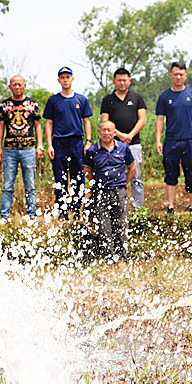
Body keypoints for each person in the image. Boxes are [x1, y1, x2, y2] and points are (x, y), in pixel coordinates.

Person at [43, 66, 93, 220]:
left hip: (77, 141)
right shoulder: (53, 100)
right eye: (62, 77)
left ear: (72, 79)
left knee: (78, 177)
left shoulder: (81, 99)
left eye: (68, 77)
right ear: (59, 80)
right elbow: (48, 123)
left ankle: (77, 209)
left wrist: (88, 141)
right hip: (59, 142)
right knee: (60, 177)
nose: (65, 80)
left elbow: (87, 121)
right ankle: (63, 210)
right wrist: (49, 144)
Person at [155, 61, 192, 214]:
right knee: (170, 173)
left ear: (185, 76)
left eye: (181, 74)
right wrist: (158, 140)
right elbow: (160, 119)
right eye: (175, 74)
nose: (178, 77)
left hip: (189, 139)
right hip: (171, 140)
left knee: (191, 173)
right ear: (171, 75)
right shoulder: (164, 96)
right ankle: (170, 206)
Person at [84, 121, 136, 262]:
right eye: (104, 130)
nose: (107, 133)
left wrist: (123, 183)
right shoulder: (92, 150)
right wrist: (97, 183)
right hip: (101, 193)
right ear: (99, 132)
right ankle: (108, 259)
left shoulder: (123, 148)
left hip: (120, 193)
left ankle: (122, 258)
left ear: (114, 133)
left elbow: (132, 168)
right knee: (104, 226)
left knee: (121, 225)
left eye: (109, 130)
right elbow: (87, 171)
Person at [0, 75, 44, 222]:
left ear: (24, 86)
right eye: (14, 85)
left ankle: (31, 215)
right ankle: (4, 216)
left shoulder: (32, 104)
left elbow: (37, 125)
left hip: (29, 149)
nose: (17, 87)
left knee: (30, 183)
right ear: (10, 86)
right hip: (10, 149)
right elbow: (1, 127)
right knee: (7, 184)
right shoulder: (4, 105)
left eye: (19, 84)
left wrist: (40, 146)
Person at [100, 67, 146, 210]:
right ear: (114, 81)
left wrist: (130, 135)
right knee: (115, 176)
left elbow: (142, 119)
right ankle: (117, 207)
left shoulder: (137, 98)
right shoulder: (108, 100)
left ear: (129, 81)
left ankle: (138, 208)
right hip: (113, 145)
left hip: (134, 143)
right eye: (119, 80)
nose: (122, 83)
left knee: (136, 176)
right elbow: (104, 122)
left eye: (124, 80)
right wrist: (119, 135)